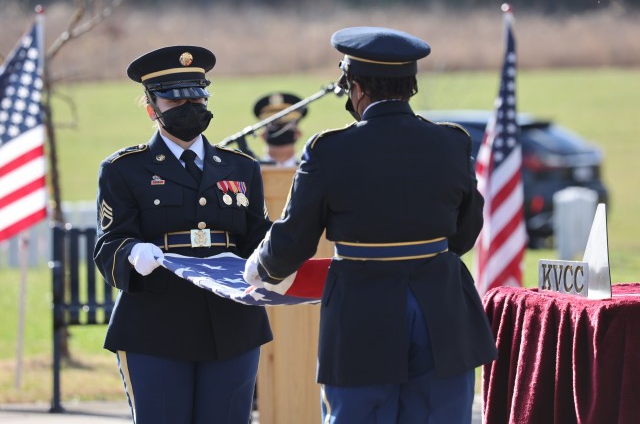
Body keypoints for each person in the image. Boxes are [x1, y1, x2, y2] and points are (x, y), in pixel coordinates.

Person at [244, 27, 498, 423]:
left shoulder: (329, 150)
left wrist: (263, 267)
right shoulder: (452, 142)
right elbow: (465, 231)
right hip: (441, 307)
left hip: (364, 308)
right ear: (411, 85)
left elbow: (295, 239)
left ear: (356, 87)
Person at [93, 45, 273, 424]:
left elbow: (259, 237)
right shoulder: (124, 169)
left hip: (231, 325)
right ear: (151, 109)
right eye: (175, 100)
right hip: (156, 323)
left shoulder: (241, 167)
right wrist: (132, 252)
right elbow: (109, 243)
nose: (190, 107)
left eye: (197, 96)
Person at [253, 92, 307, 167]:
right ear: (262, 135)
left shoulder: (309, 173)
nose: (280, 129)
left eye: (286, 125)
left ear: (298, 134)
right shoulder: (251, 173)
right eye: (273, 125)